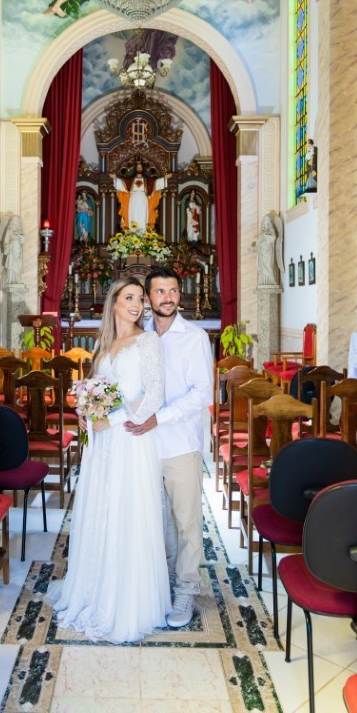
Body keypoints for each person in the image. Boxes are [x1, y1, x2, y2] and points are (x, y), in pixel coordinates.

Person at [47, 277, 171, 643]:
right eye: (128, 297)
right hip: (100, 445)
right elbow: (93, 392)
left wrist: (112, 421)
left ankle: (127, 601)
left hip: (130, 439)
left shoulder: (148, 341)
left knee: (127, 510)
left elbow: (154, 395)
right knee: (100, 508)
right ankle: (94, 587)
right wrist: (85, 418)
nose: (136, 304)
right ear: (113, 302)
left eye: (140, 299)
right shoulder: (104, 344)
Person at [126, 267, 213, 628]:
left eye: (173, 290)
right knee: (154, 521)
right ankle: (160, 585)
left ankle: (186, 591)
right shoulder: (137, 336)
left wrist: (159, 418)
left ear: (180, 294)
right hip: (143, 446)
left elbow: (202, 393)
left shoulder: (194, 338)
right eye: (160, 292)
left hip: (180, 444)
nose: (167, 298)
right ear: (148, 298)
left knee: (186, 522)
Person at [110, 161, 172, 231]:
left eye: (140, 167)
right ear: (135, 169)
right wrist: (115, 178)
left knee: (143, 215)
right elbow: (122, 184)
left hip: (143, 199)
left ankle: (143, 232)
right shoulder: (130, 180)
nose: (139, 169)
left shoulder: (148, 181)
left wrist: (165, 178)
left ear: (143, 169)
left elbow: (156, 183)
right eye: (138, 167)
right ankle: (132, 232)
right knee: (133, 214)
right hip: (133, 199)